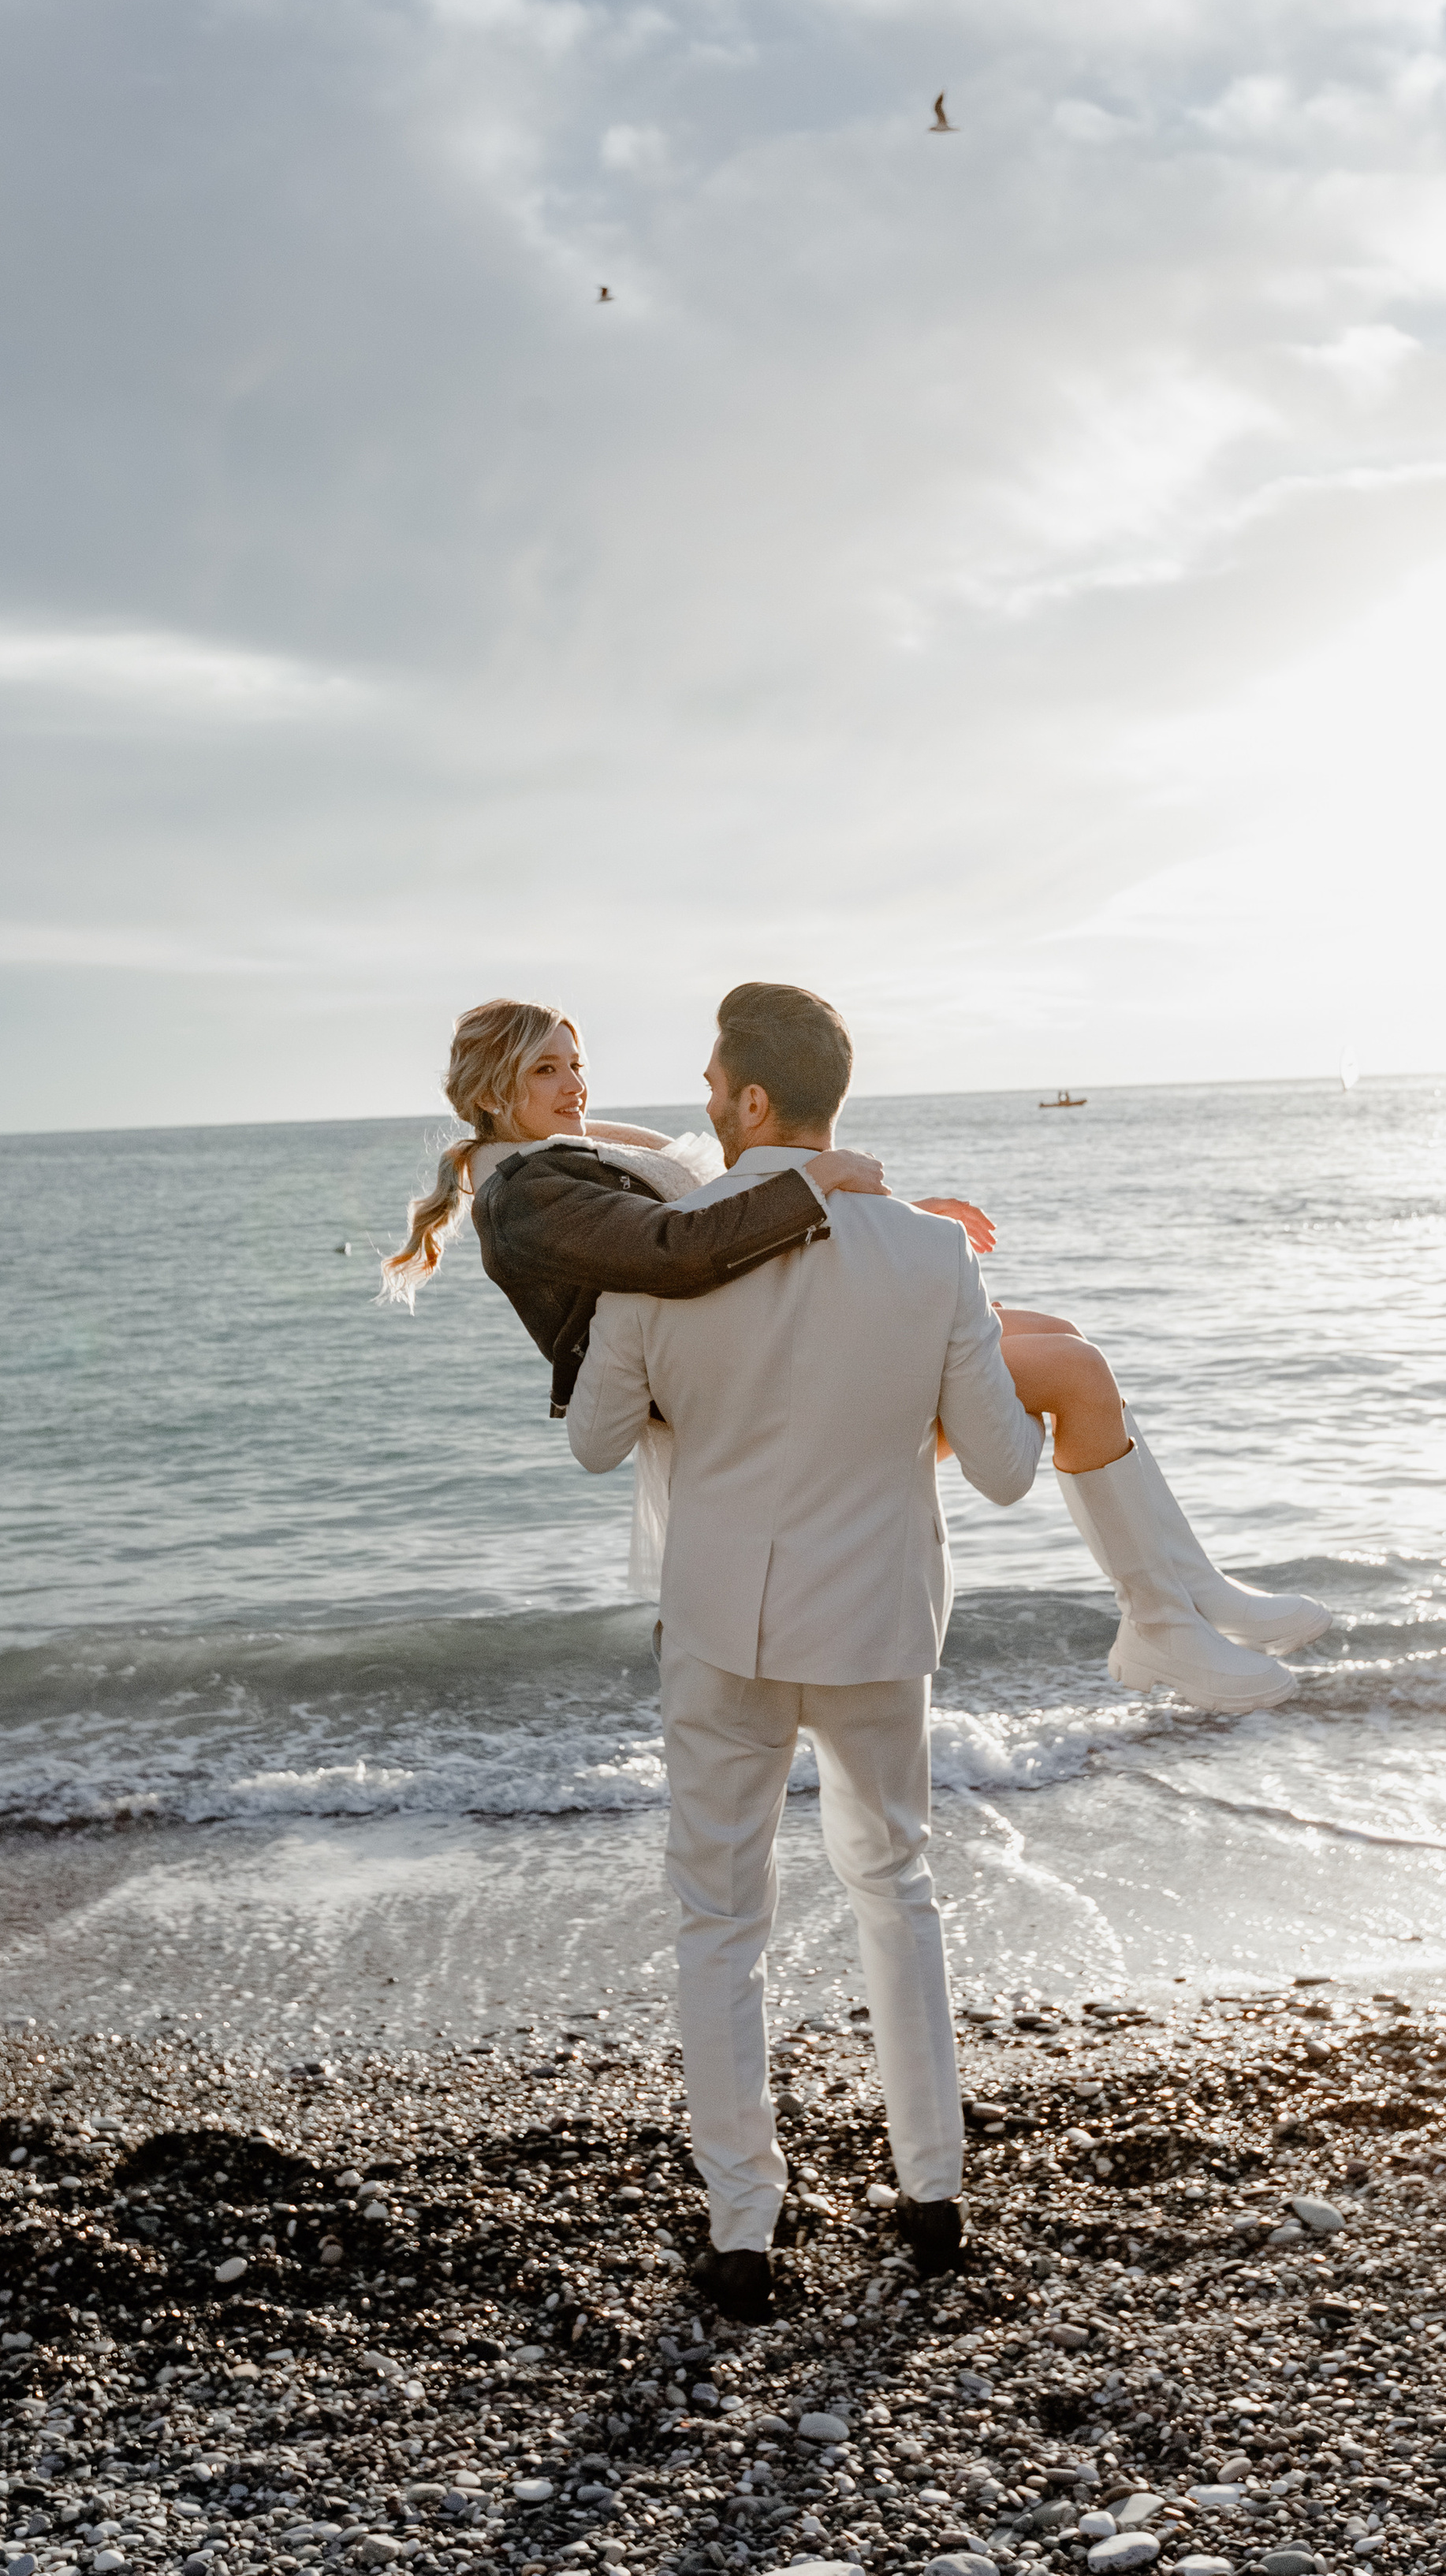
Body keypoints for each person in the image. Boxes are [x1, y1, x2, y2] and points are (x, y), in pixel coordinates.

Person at [385, 996, 1328, 1707]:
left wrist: (896, 1220)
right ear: (493, 1090)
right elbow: (677, 1247)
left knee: (1064, 1339)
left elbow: (730, 1194)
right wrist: (830, 1184)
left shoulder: (570, 1153)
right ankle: (1161, 1616)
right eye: (547, 1071)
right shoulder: (526, 1192)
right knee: (1070, 1372)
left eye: (576, 1064)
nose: (575, 1086)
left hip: (760, 1320)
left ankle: (1182, 1592)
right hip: (724, 1371)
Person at [568, 980, 1043, 2319]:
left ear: (754, 1099)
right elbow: (1007, 1469)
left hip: (723, 1626)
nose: (706, 1104)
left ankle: (745, 2233)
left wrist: (692, 1406)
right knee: (897, 1889)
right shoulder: (931, 1254)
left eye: (715, 1085)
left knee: (722, 1921)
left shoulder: (663, 1252)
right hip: (877, 1623)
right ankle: (933, 2199)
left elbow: (595, 1442)